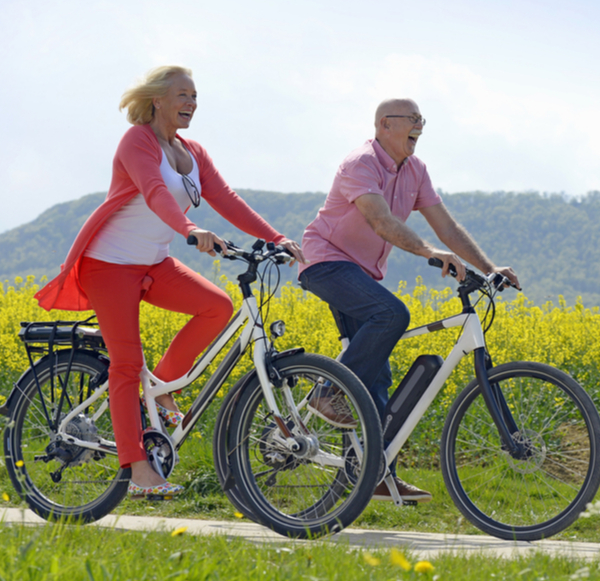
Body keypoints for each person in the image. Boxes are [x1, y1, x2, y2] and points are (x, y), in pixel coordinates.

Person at [35, 65, 305, 499]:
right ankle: (139, 469)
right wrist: (189, 229)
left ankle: (159, 388)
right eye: (182, 94)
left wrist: (276, 238)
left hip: (152, 263)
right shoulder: (137, 141)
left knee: (216, 306)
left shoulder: (193, 151)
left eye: (195, 96)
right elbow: (155, 190)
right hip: (110, 265)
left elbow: (226, 198)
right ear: (157, 98)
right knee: (126, 364)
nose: (191, 103)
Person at [298, 98, 520, 503]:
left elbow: (448, 227)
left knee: (377, 375)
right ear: (385, 124)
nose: (420, 127)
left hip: (361, 274)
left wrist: (490, 268)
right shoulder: (360, 163)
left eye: (423, 121)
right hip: (325, 262)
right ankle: (326, 394)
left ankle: (373, 472)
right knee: (391, 313)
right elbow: (381, 221)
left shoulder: (415, 170)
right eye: (413, 120)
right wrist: (428, 253)